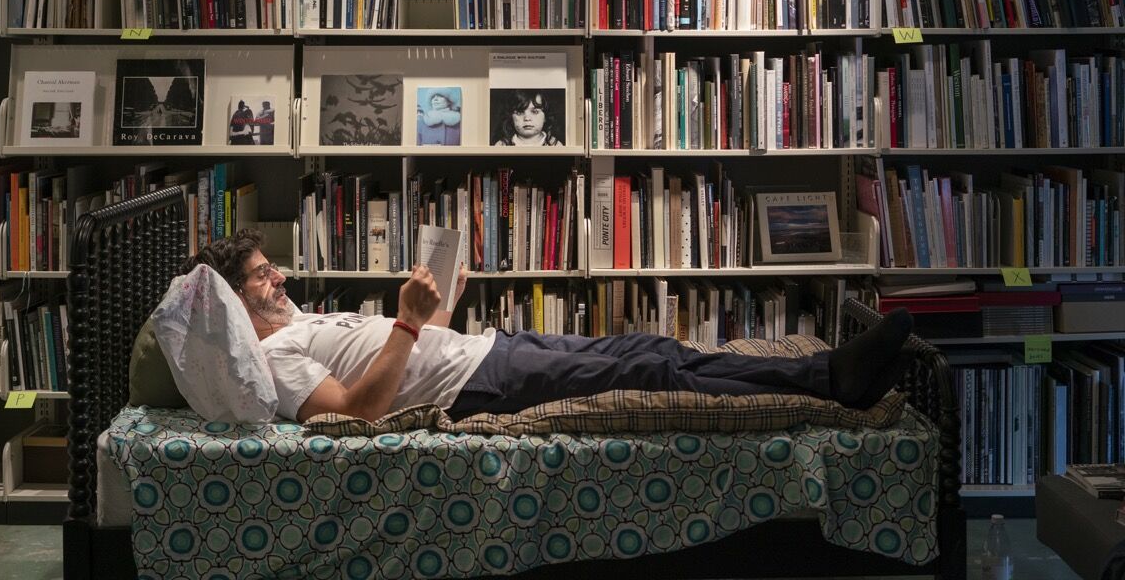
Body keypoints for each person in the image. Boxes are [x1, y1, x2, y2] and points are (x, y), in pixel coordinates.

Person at [185, 230, 913, 424]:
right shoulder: (273, 358)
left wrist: (441, 310)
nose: (277, 277)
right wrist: (409, 323)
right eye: (261, 275)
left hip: (489, 351)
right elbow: (360, 411)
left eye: (271, 267)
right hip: (483, 384)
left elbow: (400, 355)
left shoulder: (300, 322)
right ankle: (826, 380)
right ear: (234, 303)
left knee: (649, 348)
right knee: (650, 372)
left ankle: (821, 373)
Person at [493, 90, 562, 146]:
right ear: (511, 117)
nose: (527, 118)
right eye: (519, 112)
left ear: (545, 117)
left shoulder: (554, 145)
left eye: (535, 112)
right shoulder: (502, 145)